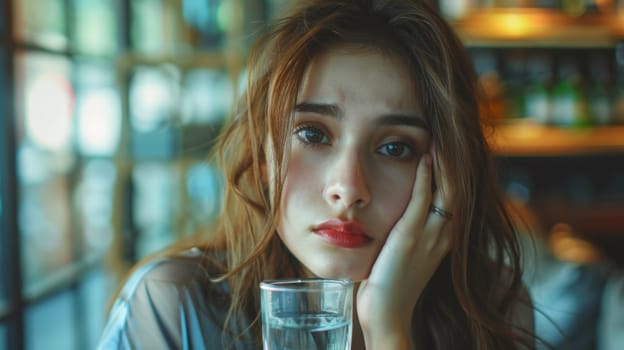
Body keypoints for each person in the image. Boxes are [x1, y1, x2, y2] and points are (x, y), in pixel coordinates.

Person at [98, 0, 535, 348]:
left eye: (394, 147)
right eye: (312, 133)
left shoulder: (494, 308)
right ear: (263, 155)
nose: (348, 189)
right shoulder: (175, 307)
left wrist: (389, 330)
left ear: (449, 177)